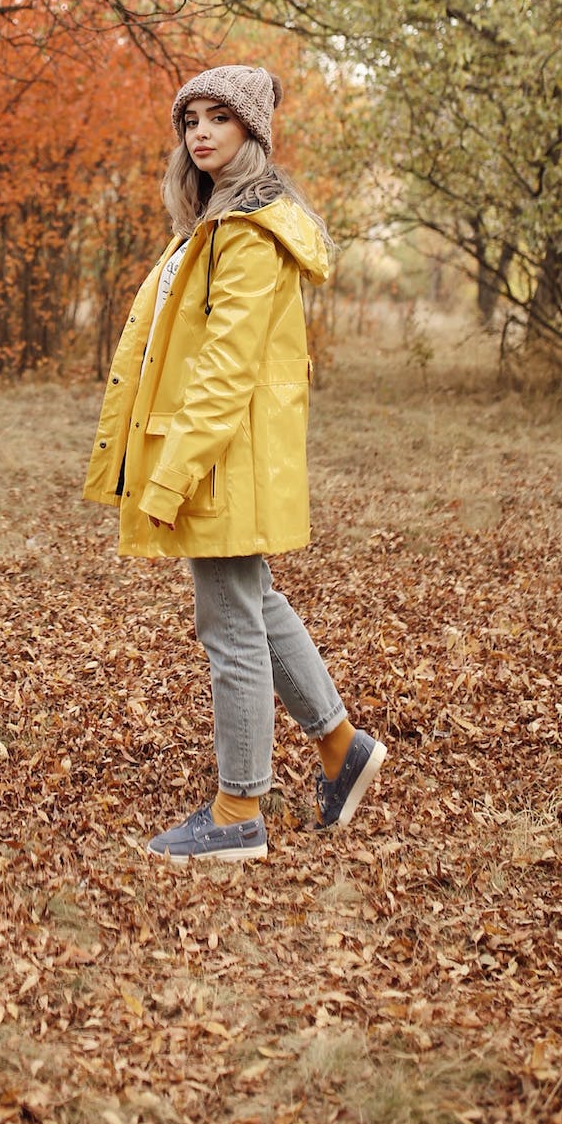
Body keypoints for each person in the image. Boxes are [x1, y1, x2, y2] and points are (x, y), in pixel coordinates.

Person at [83, 63, 386, 863]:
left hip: (222, 456)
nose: (202, 132)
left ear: (253, 130)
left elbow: (224, 370)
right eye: (192, 119)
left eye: (221, 117)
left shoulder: (248, 233)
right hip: (226, 452)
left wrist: (171, 472)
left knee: (229, 628)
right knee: (255, 603)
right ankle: (342, 749)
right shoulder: (214, 221)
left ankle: (237, 809)